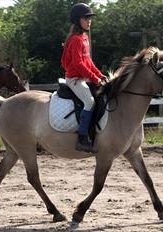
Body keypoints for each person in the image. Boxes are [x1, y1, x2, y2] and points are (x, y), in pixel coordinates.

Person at [61, 3, 106, 153]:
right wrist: (94, 78)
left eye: (90, 18)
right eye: (86, 18)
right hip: (74, 79)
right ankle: (81, 138)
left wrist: (100, 75)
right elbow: (78, 64)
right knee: (89, 101)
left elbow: (89, 62)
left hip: (83, 78)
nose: (89, 21)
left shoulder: (84, 38)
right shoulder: (75, 40)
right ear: (77, 20)